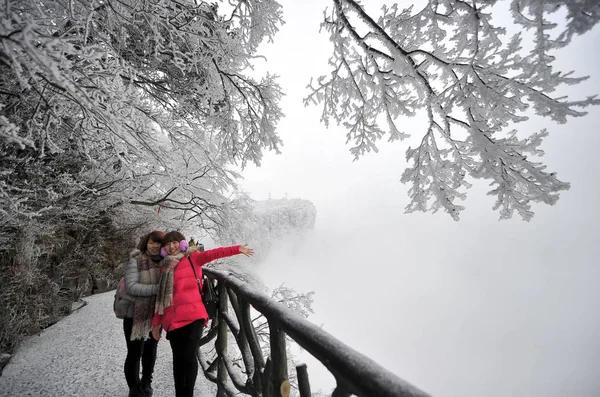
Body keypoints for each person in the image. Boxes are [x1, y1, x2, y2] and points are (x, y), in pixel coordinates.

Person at [151, 231, 254, 397]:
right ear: (164, 249)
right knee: (177, 359)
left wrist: (237, 249)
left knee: (189, 356)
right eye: (168, 244)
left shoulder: (193, 258)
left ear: (183, 243)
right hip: (172, 319)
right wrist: (156, 322)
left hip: (193, 316)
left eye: (175, 242)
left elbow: (215, 253)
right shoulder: (164, 267)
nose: (172, 247)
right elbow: (160, 297)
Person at [123, 231, 165, 397]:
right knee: (135, 352)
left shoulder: (165, 263)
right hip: (134, 314)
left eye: (158, 243)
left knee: (151, 349)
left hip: (155, 314)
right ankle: (134, 388)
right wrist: (157, 289)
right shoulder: (136, 260)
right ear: (145, 244)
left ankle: (146, 382)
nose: (155, 246)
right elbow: (131, 286)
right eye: (151, 243)